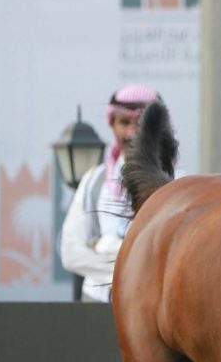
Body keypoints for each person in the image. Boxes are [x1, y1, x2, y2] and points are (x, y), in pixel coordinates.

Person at [60, 84, 163, 302]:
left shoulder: (178, 184)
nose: (132, 132)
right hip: (97, 301)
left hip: (153, 306)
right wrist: (124, 272)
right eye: (124, 122)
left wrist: (106, 246)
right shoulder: (93, 181)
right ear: (113, 124)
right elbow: (71, 252)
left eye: (141, 124)